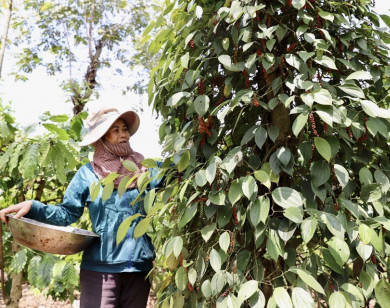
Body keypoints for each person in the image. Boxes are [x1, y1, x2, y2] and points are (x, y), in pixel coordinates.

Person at [0, 107, 162, 308]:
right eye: (115, 130)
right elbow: (67, 213)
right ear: (102, 138)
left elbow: (176, 172)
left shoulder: (145, 168)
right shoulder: (88, 174)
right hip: (100, 271)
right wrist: (33, 207)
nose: (123, 135)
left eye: (125, 129)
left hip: (139, 270)